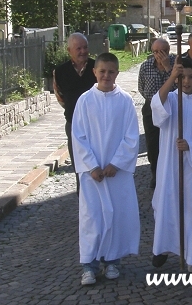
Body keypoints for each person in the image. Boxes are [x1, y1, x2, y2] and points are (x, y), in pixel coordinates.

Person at [71, 53, 140, 286]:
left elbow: (131, 136)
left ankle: (112, 260)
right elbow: (78, 136)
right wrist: (91, 166)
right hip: (93, 175)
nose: (106, 76)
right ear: (95, 72)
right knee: (92, 218)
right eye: (102, 71)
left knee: (116, 215)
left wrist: (116, 163)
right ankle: (88, 265)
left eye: (111, 72)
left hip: (115, 173)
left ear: (117, 73)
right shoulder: (85, 101)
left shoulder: (125, 101)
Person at [150, 57, 192, 274]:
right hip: (170, 164)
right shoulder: (170, 98)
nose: (186, 81)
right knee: (166, 204)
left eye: (190, 77)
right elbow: (156, 108)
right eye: (182, 77)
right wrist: (171, 78)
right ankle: (163, 247)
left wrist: (191, 146)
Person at [53, 32, 96, 195]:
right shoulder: (60, 71)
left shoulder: (96, 67)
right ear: (69, 50)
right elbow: (60, 97)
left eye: (85, 47)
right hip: (74, 125)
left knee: (98, 164)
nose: (83, 51)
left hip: (97, 124)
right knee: (80, 167)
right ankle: (84, 203)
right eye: (78, 48)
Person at [138, 38, 176, 188]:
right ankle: (155, 173)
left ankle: (171, 175)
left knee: (171, 142)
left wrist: (168, 68)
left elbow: (179, 86)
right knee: (153, 143)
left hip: (171, 106)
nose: (158, 55)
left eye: (161, 52)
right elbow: (141, 88)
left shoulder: (176, 65)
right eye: (155, 52)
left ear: (167, 51)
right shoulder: (146, 66)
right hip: (151, 107)